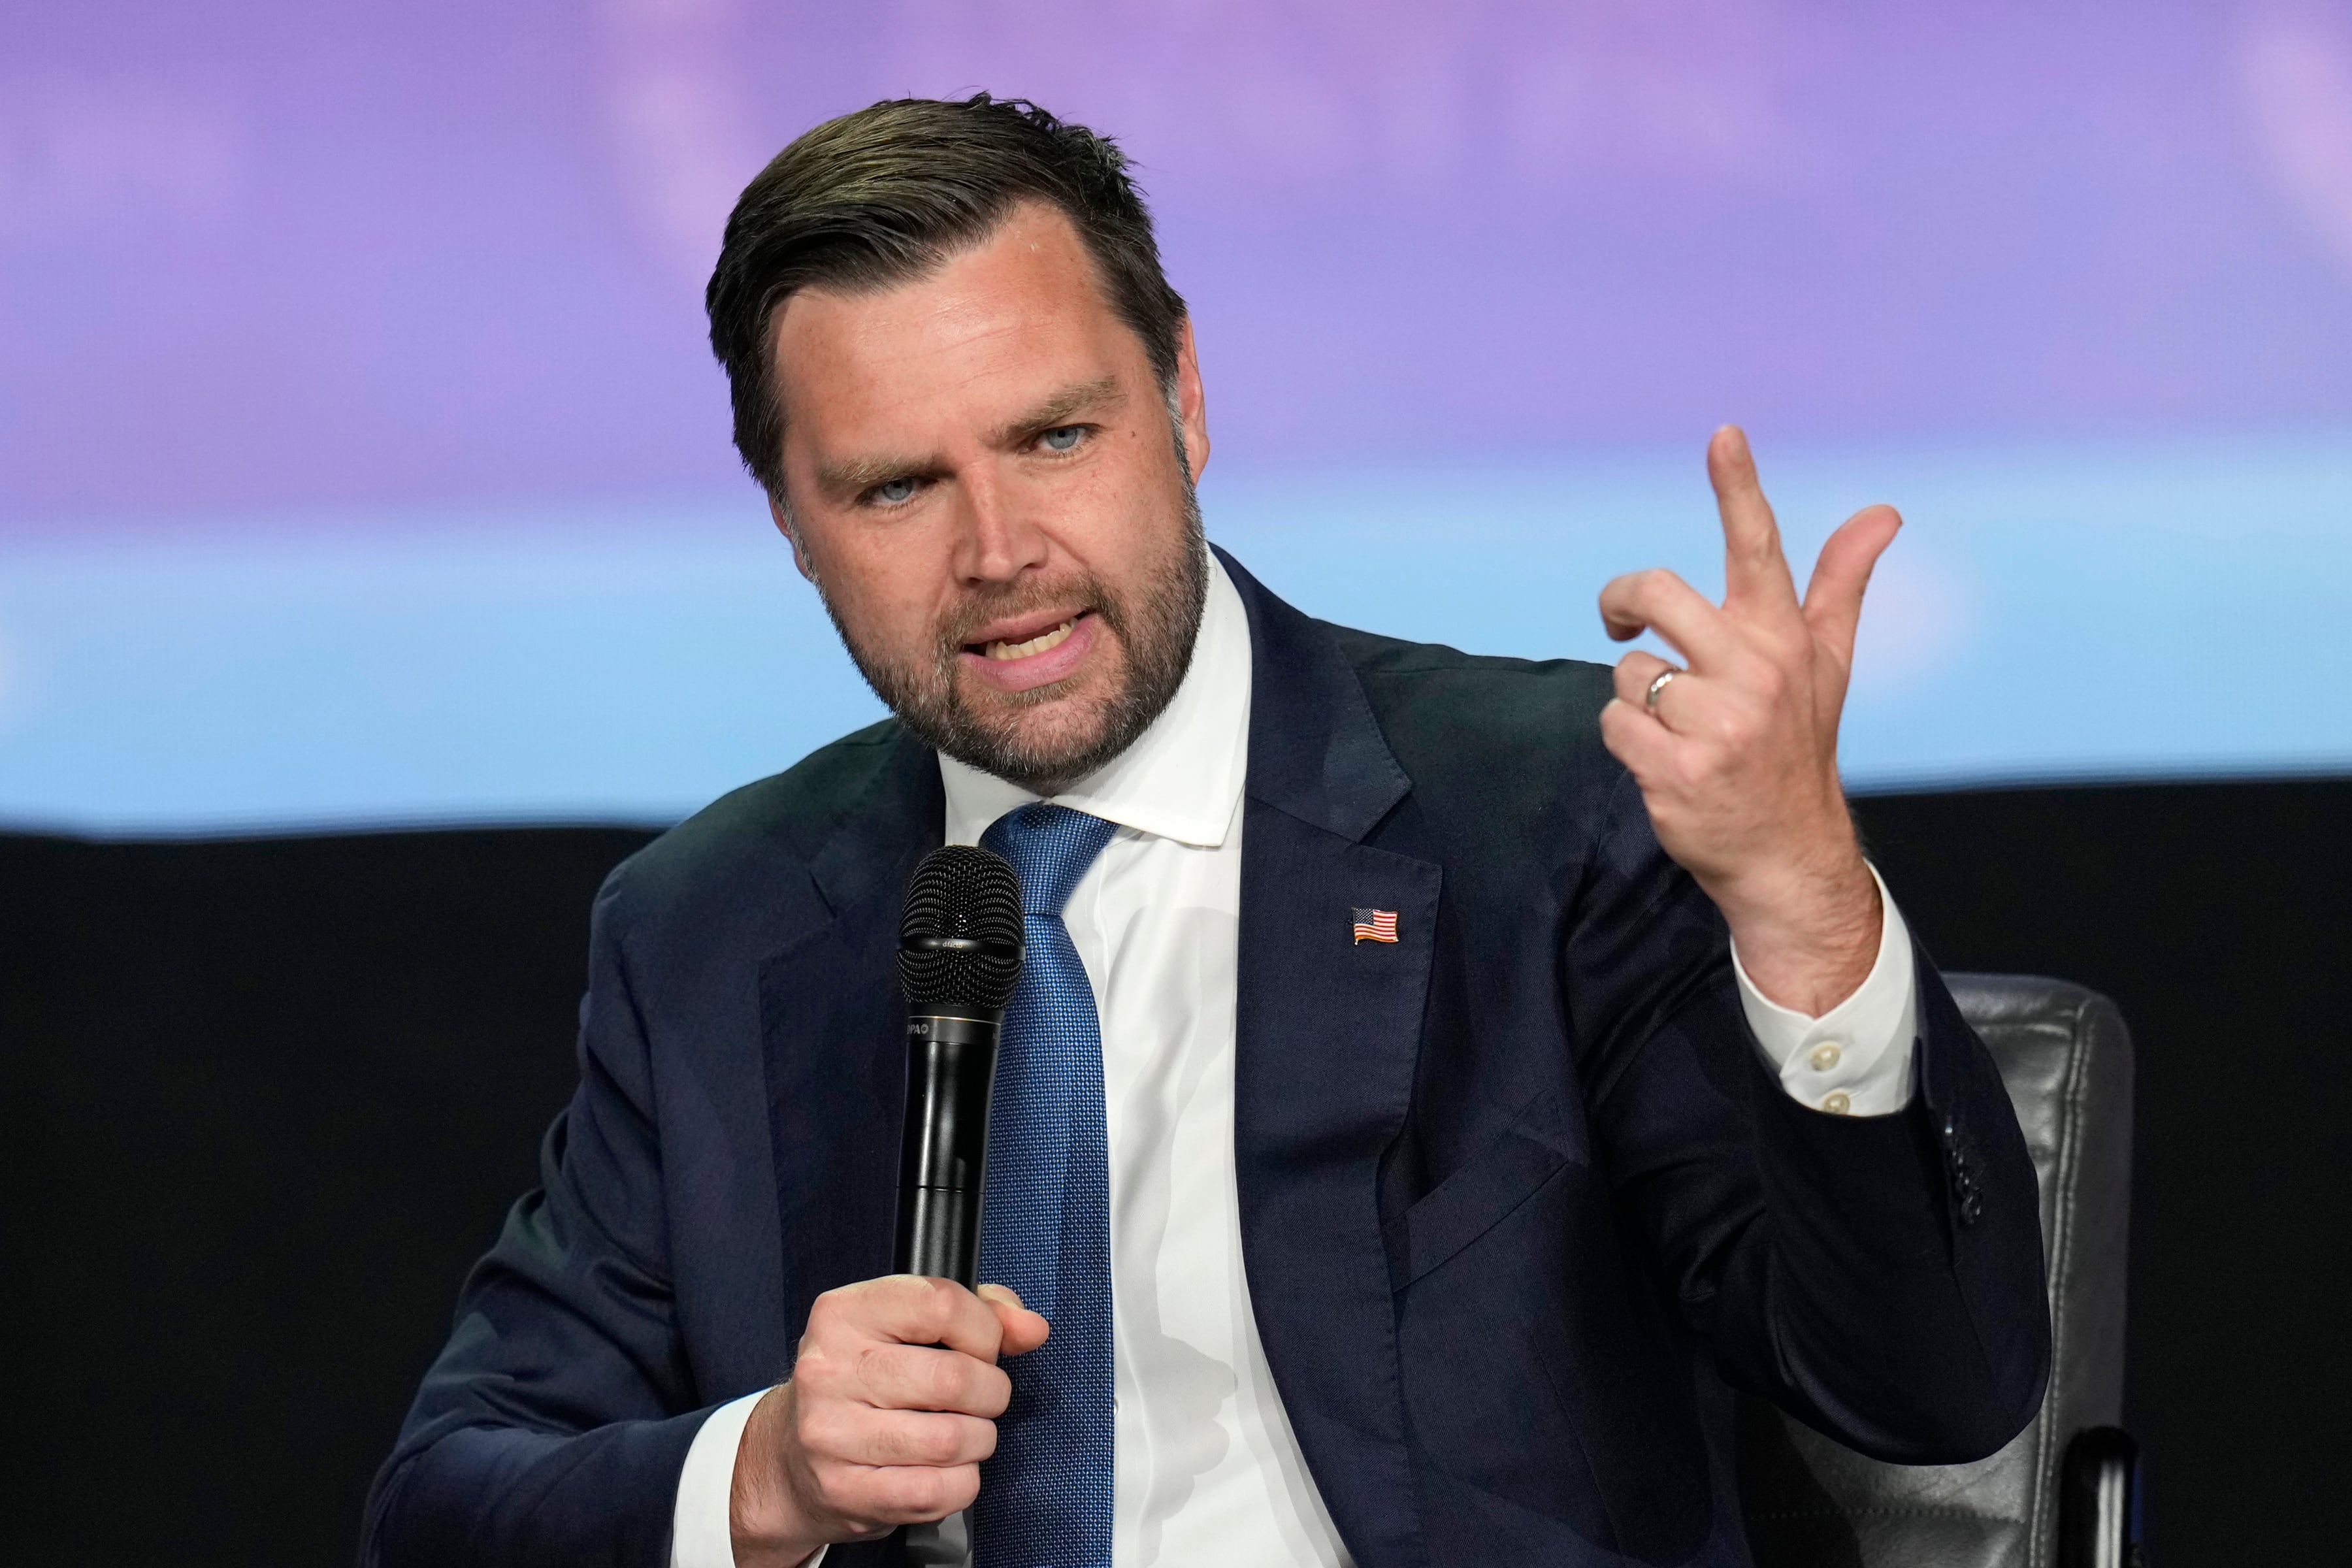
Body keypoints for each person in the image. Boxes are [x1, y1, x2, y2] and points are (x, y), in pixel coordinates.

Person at [364, 95, 2048, 1568]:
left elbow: (1928, 1388)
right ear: (793, 525)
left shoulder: (1540, 809)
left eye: (1054, 436)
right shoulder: (710, 925)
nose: (1000, 548)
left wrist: (1809, 903)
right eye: (896, 487)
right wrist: (771, 1474)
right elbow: (448, 1502)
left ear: (1182, 392)